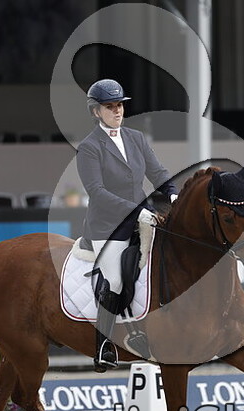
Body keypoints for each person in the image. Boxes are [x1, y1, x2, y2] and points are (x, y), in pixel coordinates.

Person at [76, 79, 178, 373]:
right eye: (110, 106)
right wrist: (137, 211)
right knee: (115, 280)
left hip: (142, 218)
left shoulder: (136, 138)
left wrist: (173, 193)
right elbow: (97, 192)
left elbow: (157, 172)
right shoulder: (89, 147)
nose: (117, 110)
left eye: (119, 105)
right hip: (107, 226)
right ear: (96, 112)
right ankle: (103, 346)